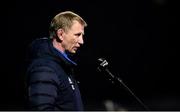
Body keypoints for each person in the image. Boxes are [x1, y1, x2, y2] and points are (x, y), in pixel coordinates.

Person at [26, 11, 87, 110]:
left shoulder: (62, 65)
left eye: (82, 35)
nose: (81, 41)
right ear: (61, 34)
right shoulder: (44, 68)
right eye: (77, 35)